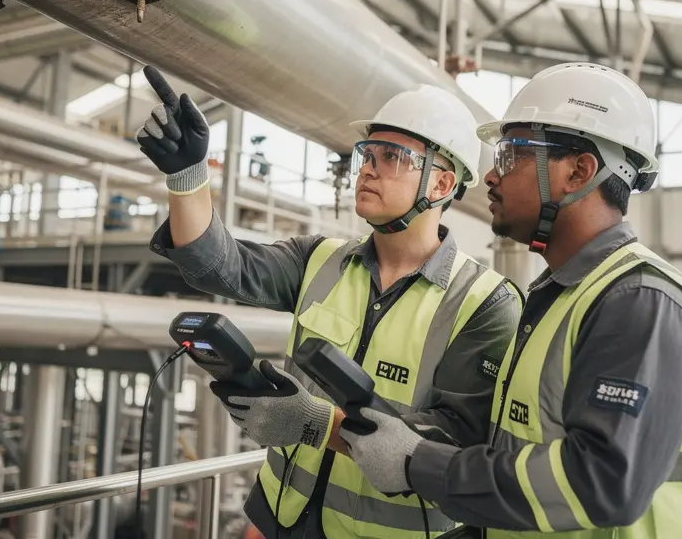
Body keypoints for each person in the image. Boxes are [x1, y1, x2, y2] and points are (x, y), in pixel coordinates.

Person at [339, 62, 682, 538]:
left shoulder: (642, 305)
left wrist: (420, 464)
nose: (490, 176)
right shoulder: (559, 297)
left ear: (579, 172)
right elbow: (525, 463)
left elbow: (600, 484)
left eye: (510, 155)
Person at [136, 65, 522, 538]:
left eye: (393, 156)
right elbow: (219, 265)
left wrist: (319, 424)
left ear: (441, 186)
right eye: (367, 153)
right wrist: (187, 176)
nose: (368, 168)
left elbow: (456, 444)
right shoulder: (317, 260)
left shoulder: (485, 304)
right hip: (281, 519)